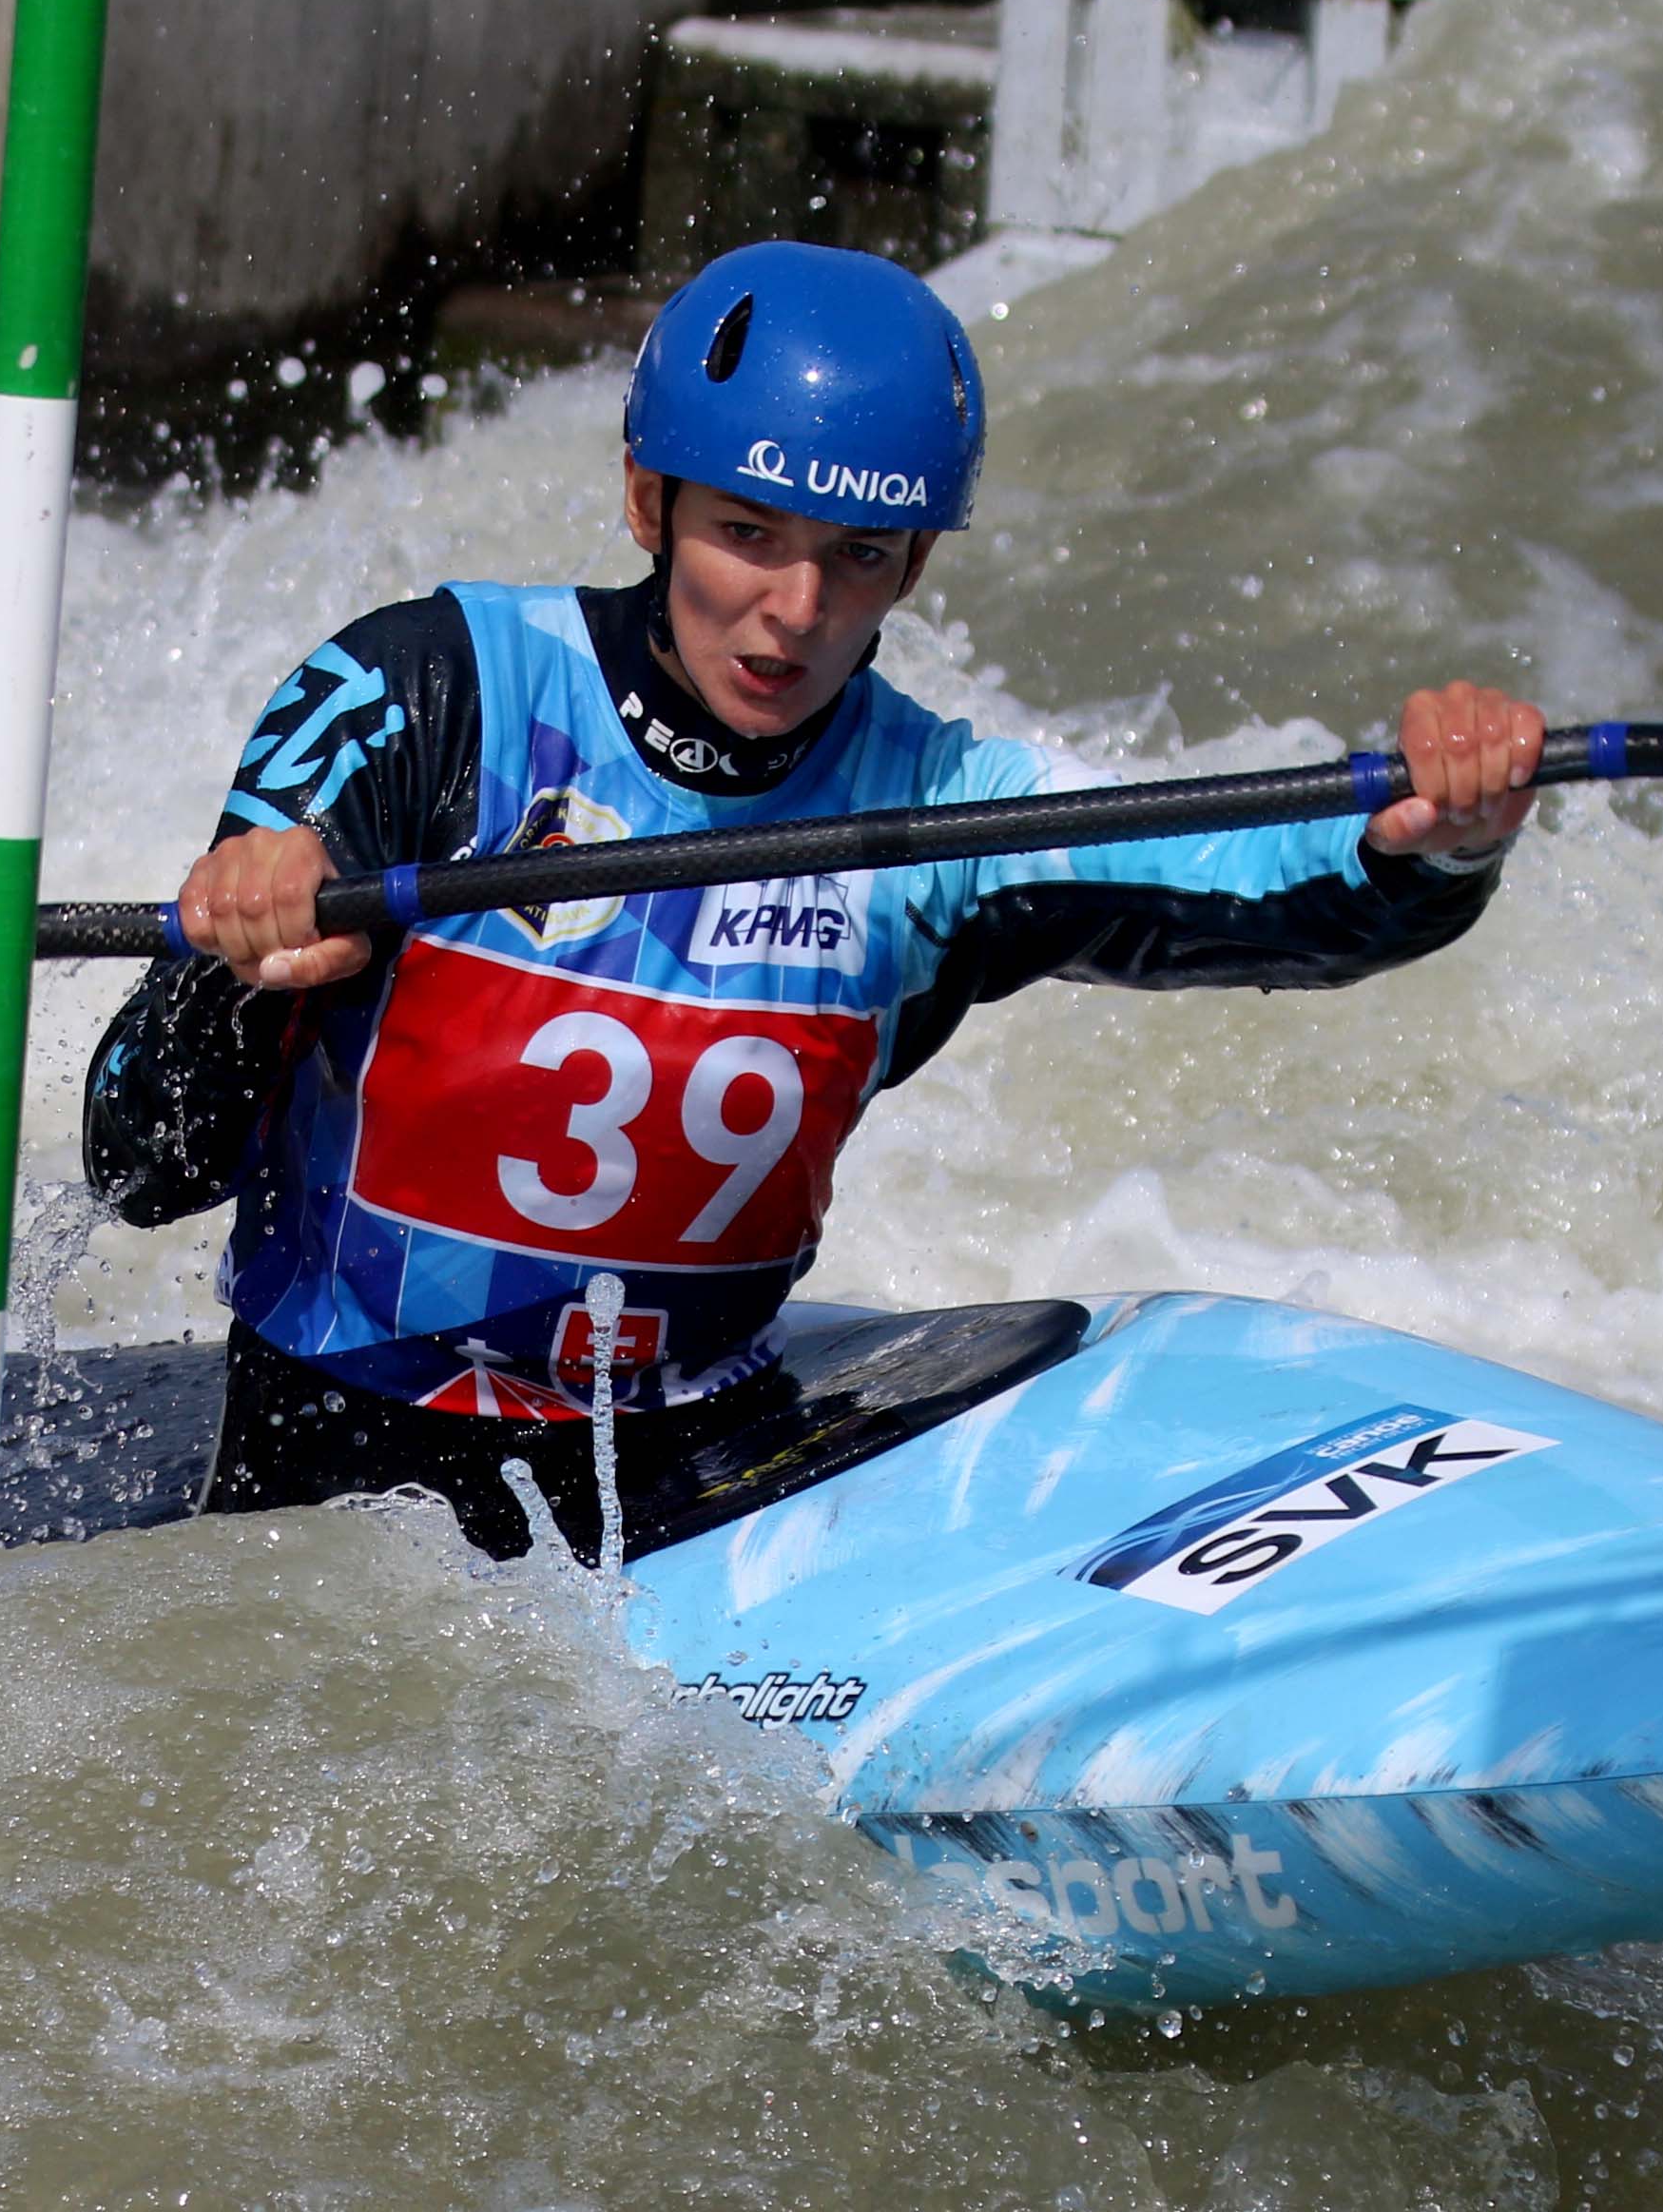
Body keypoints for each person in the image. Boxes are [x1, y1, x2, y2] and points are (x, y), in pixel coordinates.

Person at [81, 239, 1547, 1556]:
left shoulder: (929, 807)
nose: (794, 610)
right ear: (650, 500)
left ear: (911, 564)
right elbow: (136, 1166)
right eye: (750, 534)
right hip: (339, 1450)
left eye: (857, 558)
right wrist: (235, 960)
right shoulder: (434, 689)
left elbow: (1246, 880)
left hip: (688, 1466)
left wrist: (1432, 836)